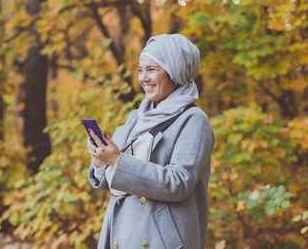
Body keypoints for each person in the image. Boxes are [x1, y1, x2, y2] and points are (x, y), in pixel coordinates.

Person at [86, 33, 214, 249]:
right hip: (121, 235)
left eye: (152, 70)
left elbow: (179, 182)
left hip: (161, 242)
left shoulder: (193, 120)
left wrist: (117, 161)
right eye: (140, 70)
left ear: (174, 72)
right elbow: (120, 182)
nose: (143, 78)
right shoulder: (136, 117)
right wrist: (101, 162)